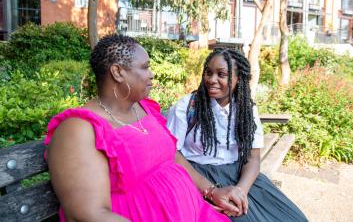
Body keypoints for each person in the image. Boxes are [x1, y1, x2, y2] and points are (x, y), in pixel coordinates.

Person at [44, 34, 230, 222]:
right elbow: (88, 214)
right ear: (117, 72)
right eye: (145, 67)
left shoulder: (144, 109)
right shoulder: (79, 129)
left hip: (199, 213)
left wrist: (212, 191)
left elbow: (172, 157)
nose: (151, 74)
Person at [166, 48, 308, 221]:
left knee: (293, 217)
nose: (212, 80)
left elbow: (253, 158)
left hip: (239, 176)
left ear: (238, 78)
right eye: (208, 73)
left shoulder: (246, 109)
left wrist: (240, 192)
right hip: (196, 177)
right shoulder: (188, 106)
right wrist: (212, 191)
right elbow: (171, 152)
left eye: (221, 74)